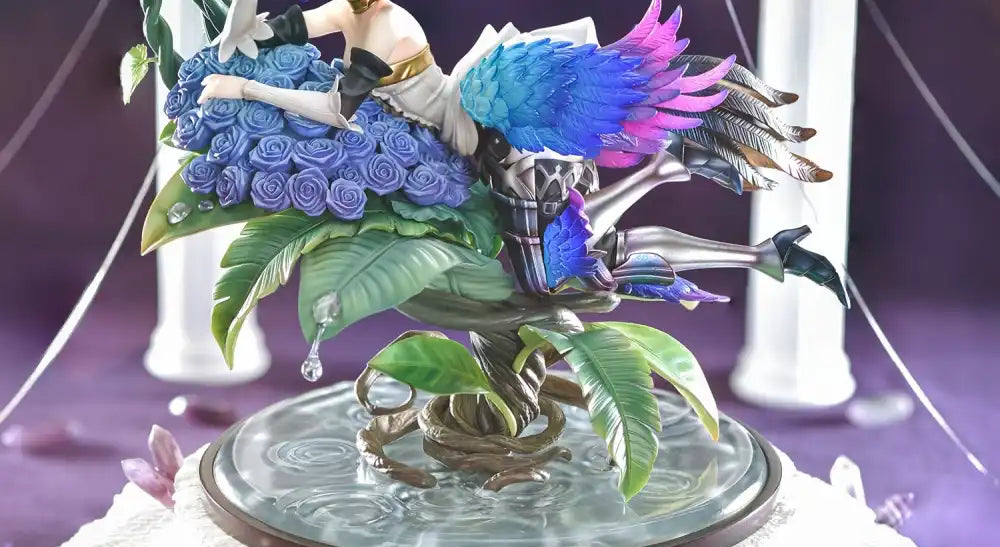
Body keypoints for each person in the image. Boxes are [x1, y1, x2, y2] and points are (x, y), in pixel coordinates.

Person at [200, 0, 849, 308]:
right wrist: (238, 26)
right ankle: (687, 186)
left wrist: (246, 89)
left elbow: (337, 110)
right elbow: (274, 31)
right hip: (447, 143)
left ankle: (751, 247)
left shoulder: (383, 23)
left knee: (555, 276)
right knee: (571, 258)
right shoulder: (350, 8)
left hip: (487, 146)